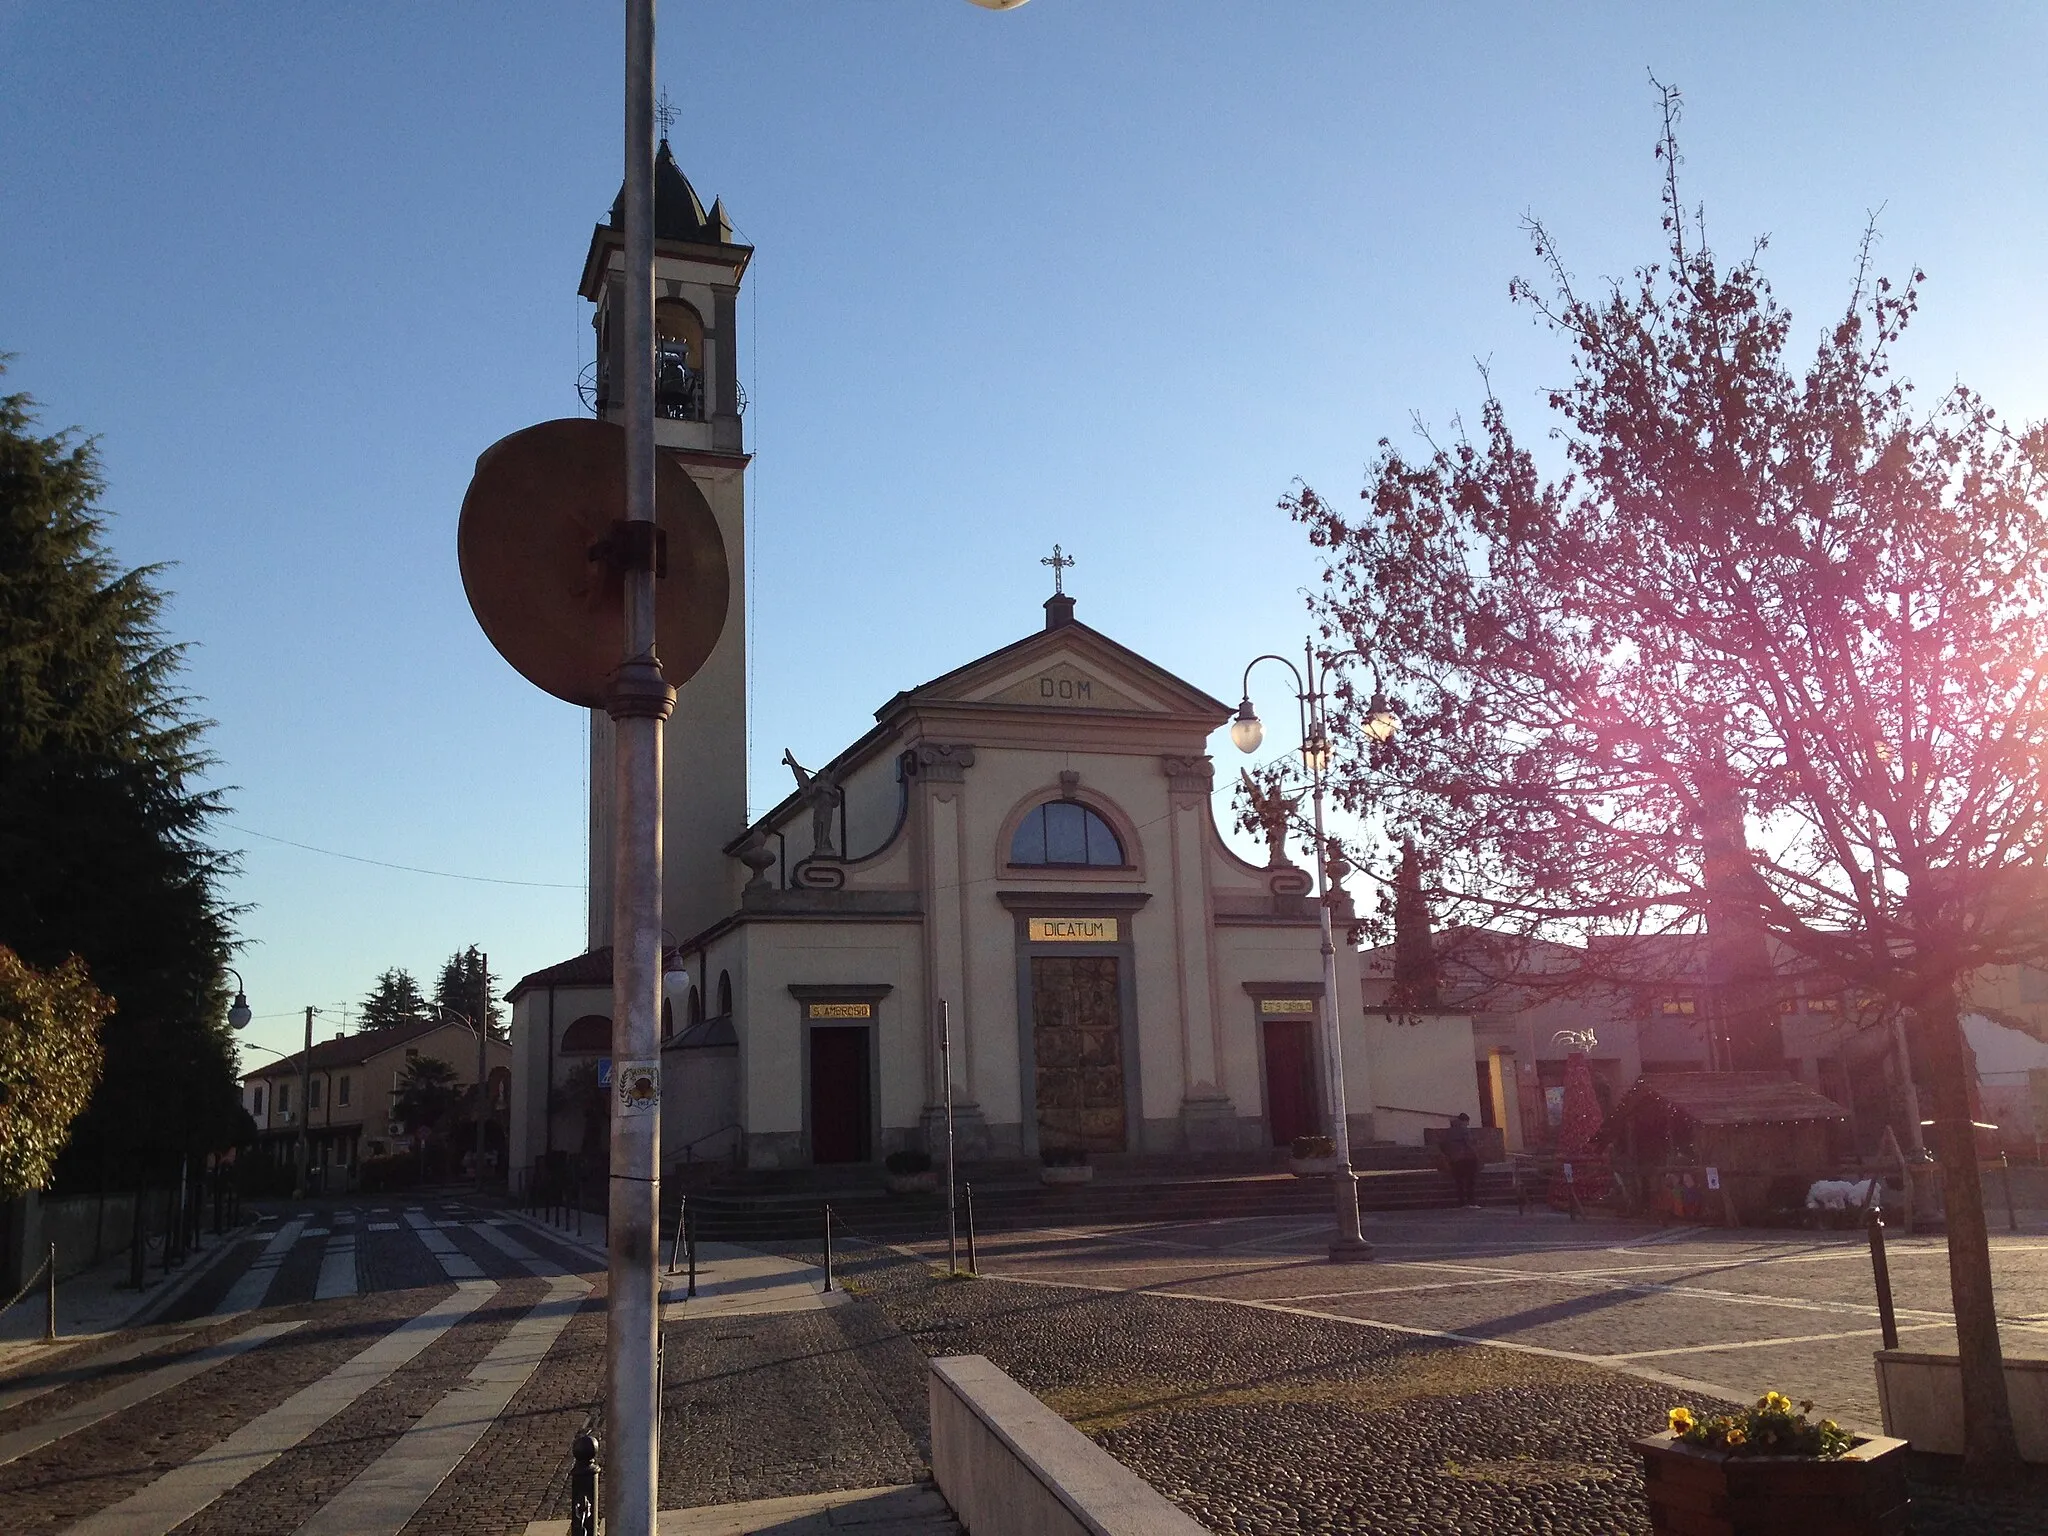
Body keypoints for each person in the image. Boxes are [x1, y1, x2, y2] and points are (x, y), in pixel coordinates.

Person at [1443, 1112, 1480, 1208]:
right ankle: (1471, 1202)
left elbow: (1443, 1144)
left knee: (1459, 1182)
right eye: (1467, 1122)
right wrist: (1476, 1154)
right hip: (1467, 1158)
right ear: (1465, 1121)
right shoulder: (1464, 1130)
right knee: (1470, 1181)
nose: (1468, 1124)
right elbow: (1469, 1143)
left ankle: (1461, 1203)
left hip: (1454, 1159)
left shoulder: (1449, 1132)